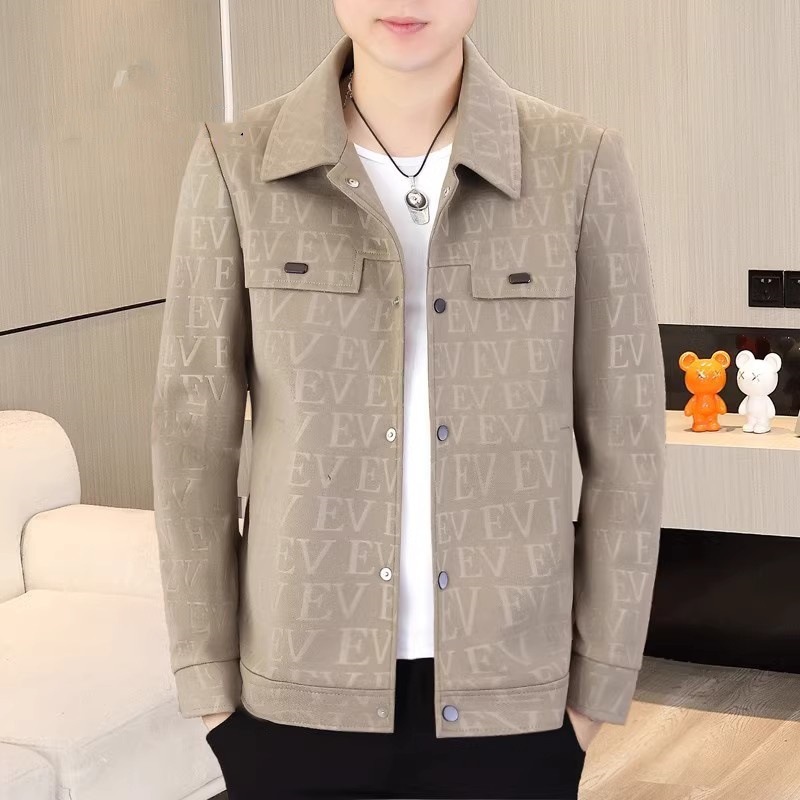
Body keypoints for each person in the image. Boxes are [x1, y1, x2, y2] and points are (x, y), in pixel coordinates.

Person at [150, 1, 666, 798]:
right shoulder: (237, 163)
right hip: (294, 699)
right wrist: (212, 693)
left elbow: (627, 444)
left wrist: (593, 696)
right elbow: (192, 443)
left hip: (514, 704)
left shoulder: (579, 163)